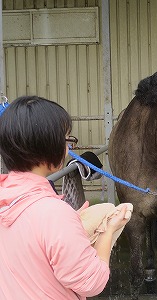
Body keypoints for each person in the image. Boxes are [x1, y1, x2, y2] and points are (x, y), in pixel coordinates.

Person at [0, 96, 132, 300]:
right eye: (65, 140)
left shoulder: (7, 200)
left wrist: (72, 227)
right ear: (47, 144)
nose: (68, 148)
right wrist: (108, 229)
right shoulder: (54, 214)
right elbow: (91, 282)